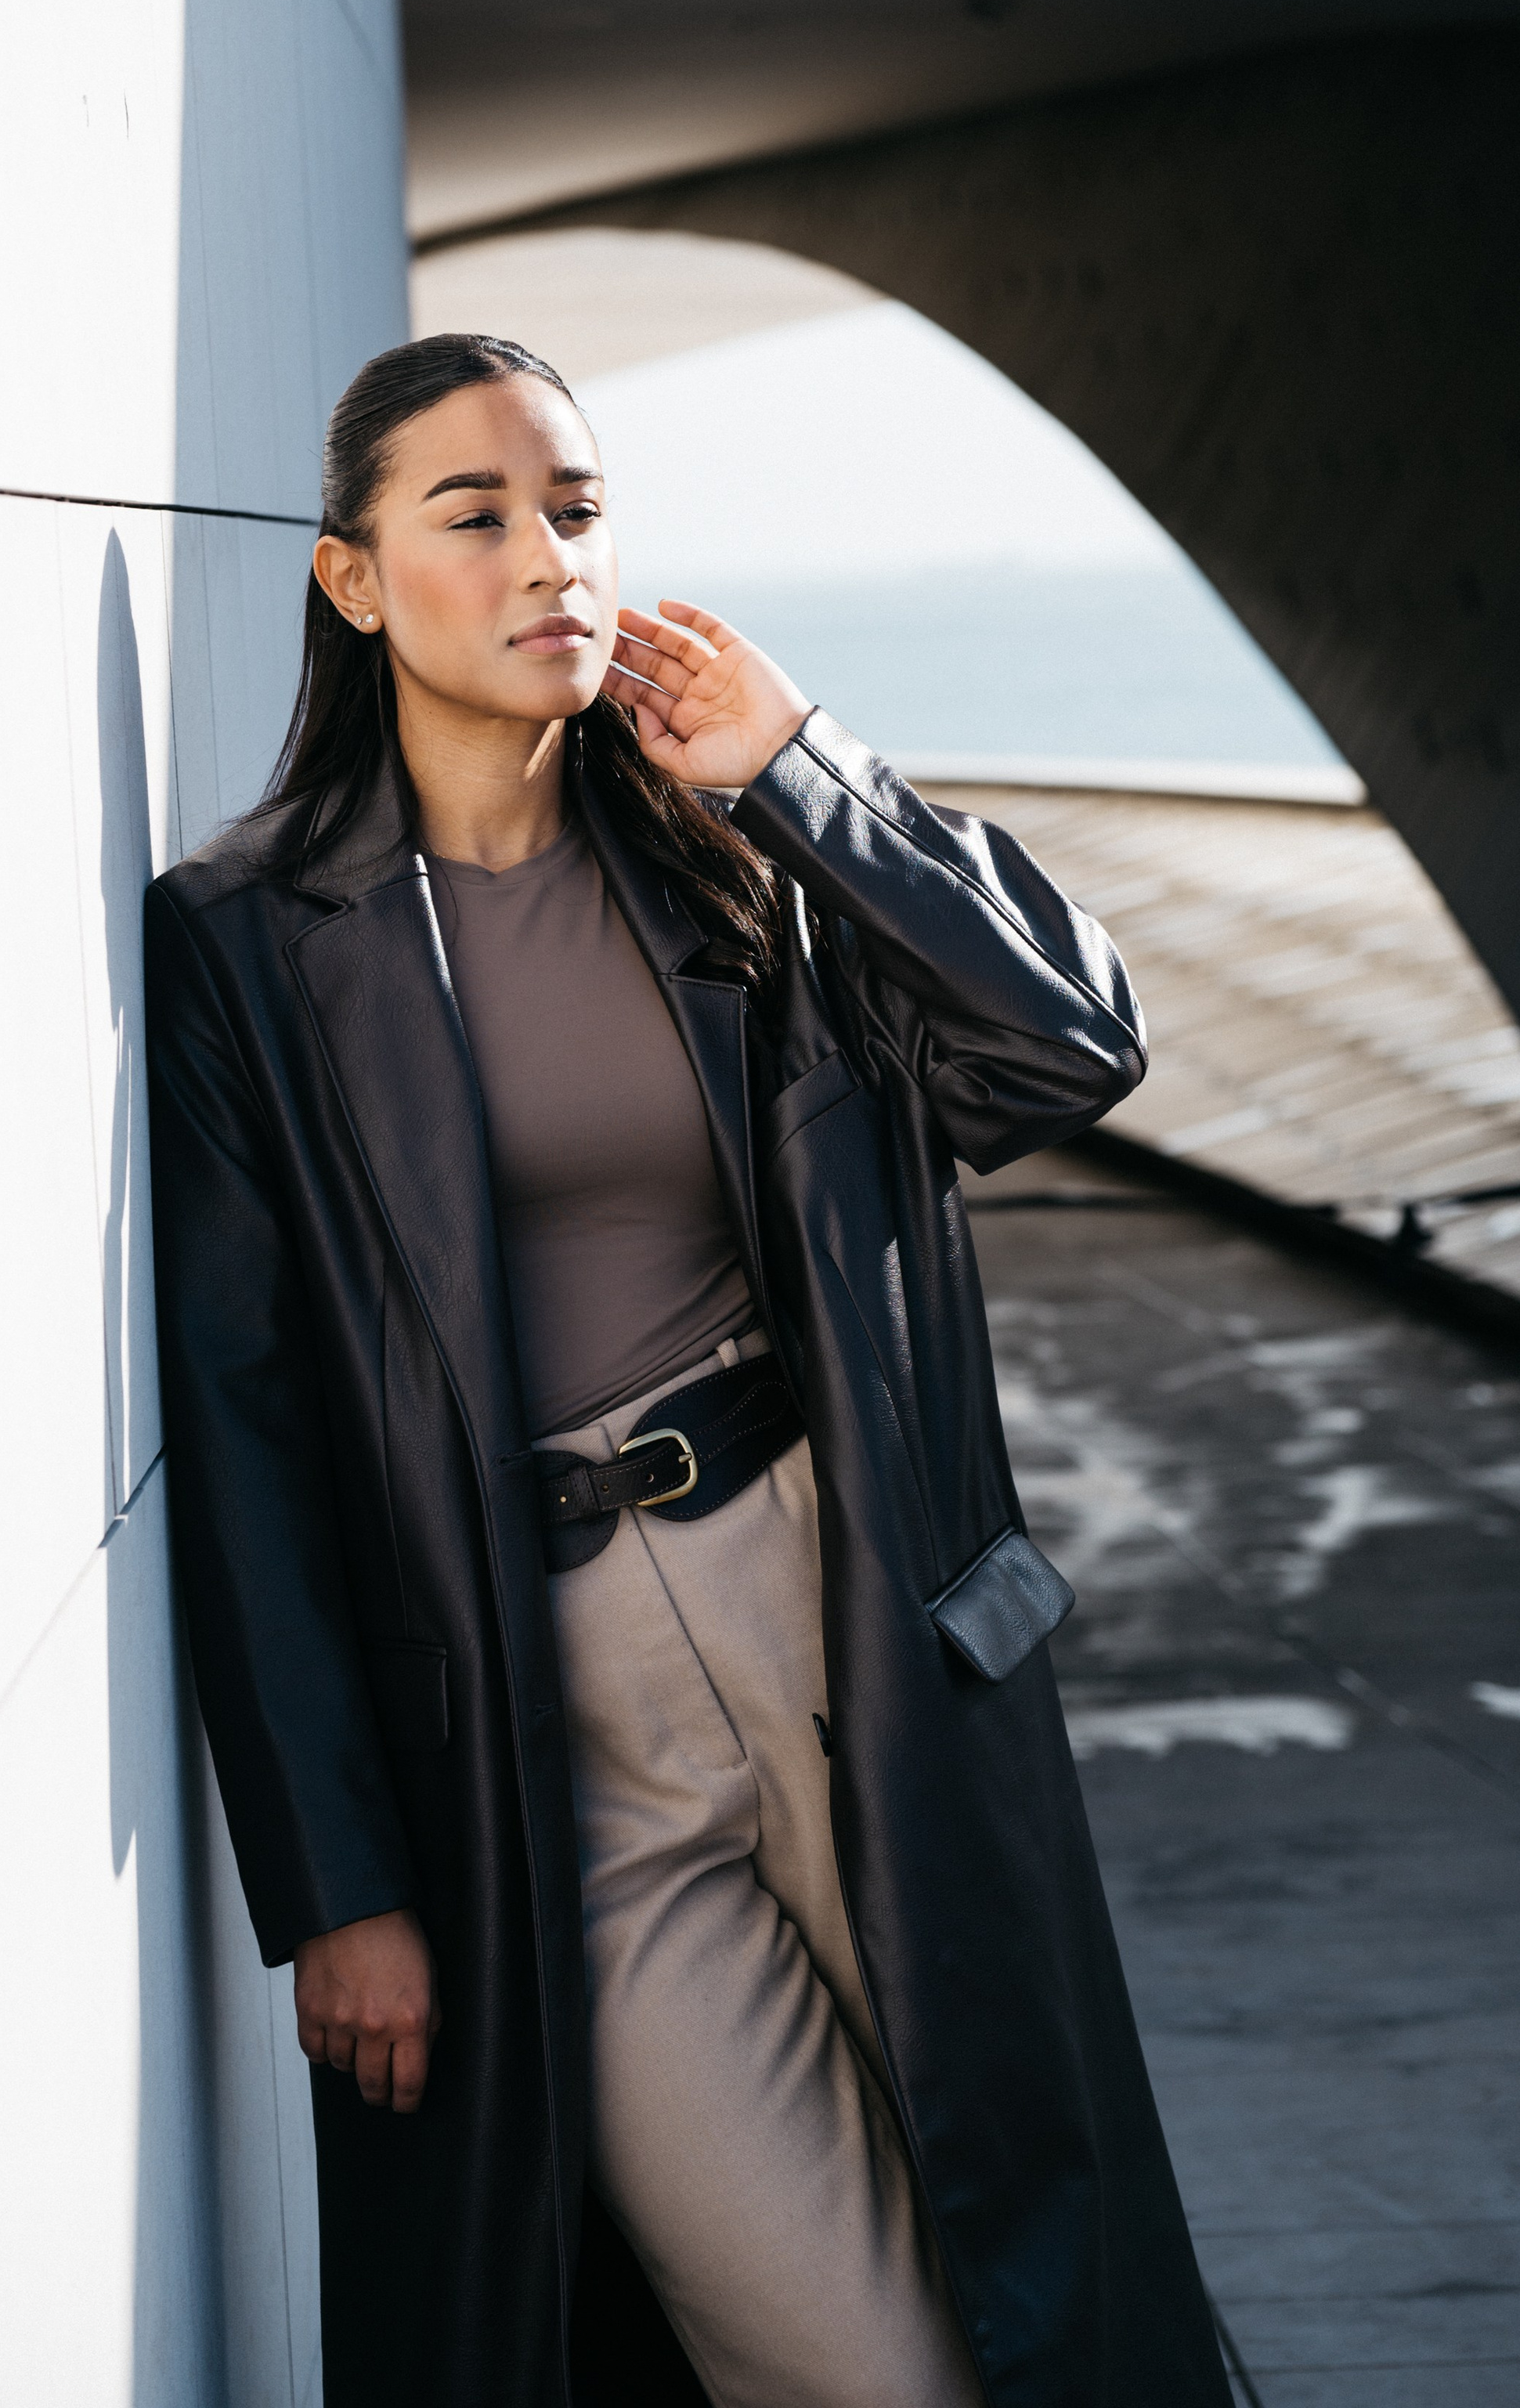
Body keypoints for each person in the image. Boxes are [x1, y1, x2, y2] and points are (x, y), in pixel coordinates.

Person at [143, 334, 1229, 2408]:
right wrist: (336, 1886)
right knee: (859, 2359)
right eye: (475, 516)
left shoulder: (739, 871)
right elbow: (247, 1428)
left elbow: (1067, 1050)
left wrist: (806, 766)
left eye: (577, 509)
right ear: (353, 580)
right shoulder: (252, 947)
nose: (549, 556)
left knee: (1059, 2287)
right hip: (547, 1744)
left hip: (843, 1637)